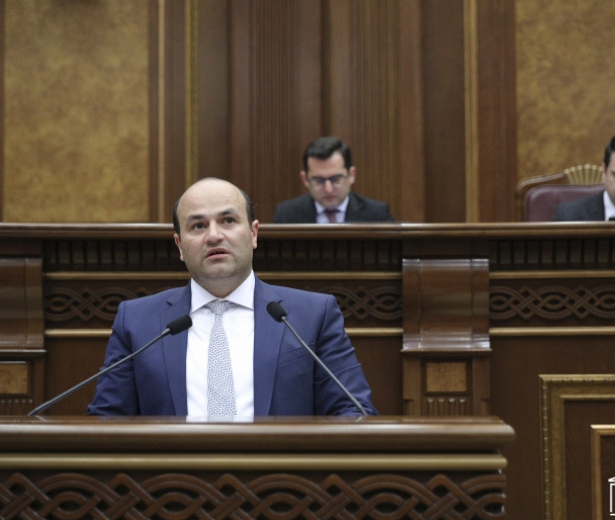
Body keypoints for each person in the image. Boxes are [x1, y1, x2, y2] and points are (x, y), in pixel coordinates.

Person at [88, 177, 378, 417]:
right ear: (179, 245)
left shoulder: (312, 315)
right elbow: (106, 421)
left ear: (253, 233)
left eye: (228, 220)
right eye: (198, 226)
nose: (214, 236)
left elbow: (354, 411)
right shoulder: (137, 322)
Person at [272, 136, 394, 223]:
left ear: (351, 175)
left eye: (336, 179)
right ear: (305, 179)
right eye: (319, 181)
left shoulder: (377, 215)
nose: (328, 189)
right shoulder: (286, 216)